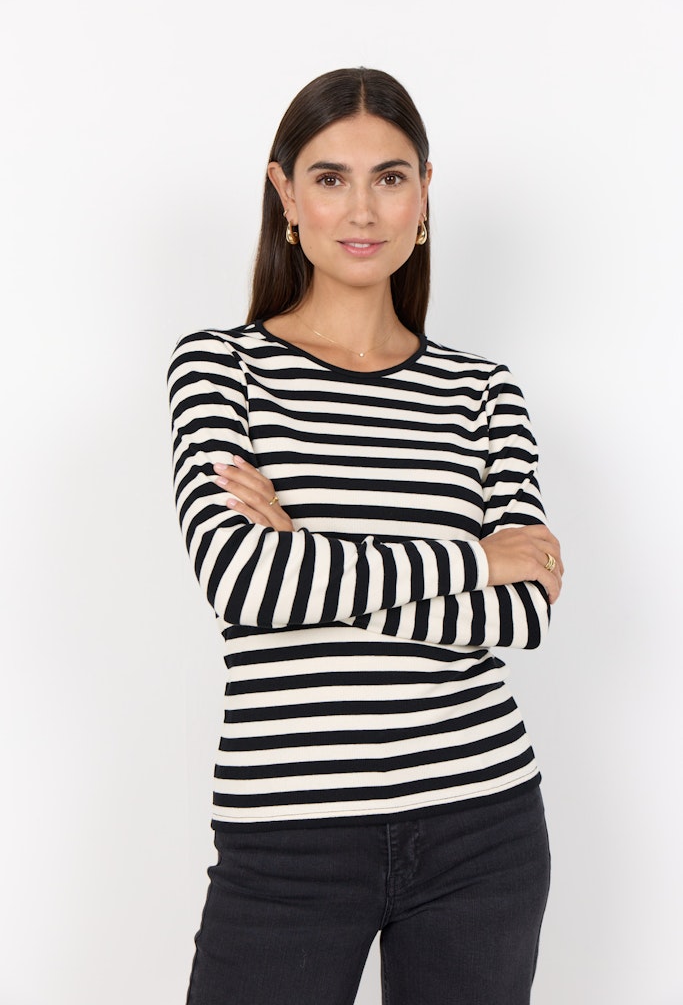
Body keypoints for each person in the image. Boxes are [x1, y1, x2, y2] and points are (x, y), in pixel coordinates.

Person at [168, 66, 563, 1005]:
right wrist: (473, 558)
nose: (361, 209)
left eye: (389, 177)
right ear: (285, 194)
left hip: (483, 823)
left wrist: (305, 558)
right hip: (287, 838)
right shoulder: (221, 367)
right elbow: (243, 583)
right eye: (329, 177)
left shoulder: (481, 391)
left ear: (423, 191)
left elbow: (524, 615)